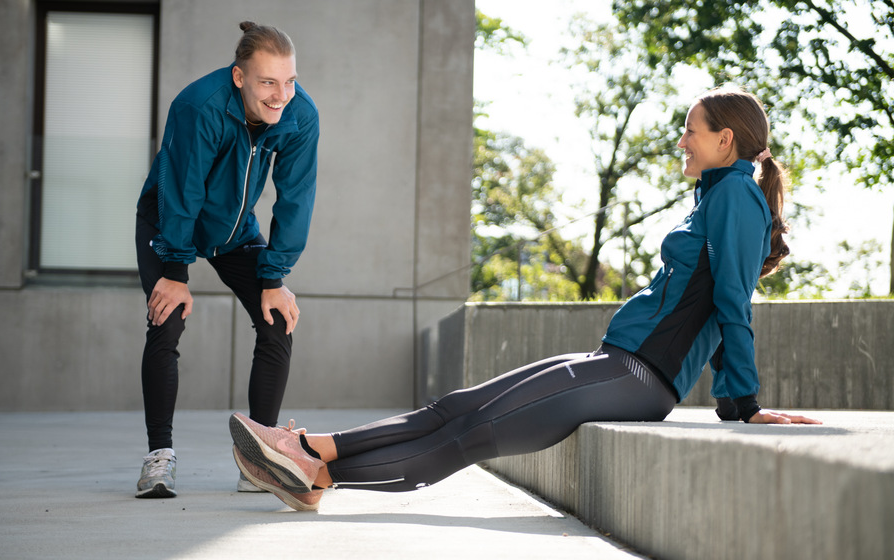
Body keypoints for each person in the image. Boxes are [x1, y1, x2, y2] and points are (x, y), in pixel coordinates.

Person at [227, 85, 821, 512]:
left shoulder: (737, 198)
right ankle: (308, 449)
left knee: (465, 436)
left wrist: (742, 403)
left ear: (726, 139)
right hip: (617, 361)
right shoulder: (718, 195)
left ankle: (316, 472)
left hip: (639, 376)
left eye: (691, 130)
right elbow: (715, 298)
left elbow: (732, 305)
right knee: (454, 408)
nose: (682, 140)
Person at [134, 21, 319, 499]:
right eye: (267, 82)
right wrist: (175, 271)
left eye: (290, 80)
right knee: (166, 319)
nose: (282, 95)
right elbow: (182, 189)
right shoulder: (199, 106)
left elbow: (295, 197)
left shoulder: (300, 114)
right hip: (168, 220)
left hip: (234, 232)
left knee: (277, 319)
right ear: (239, 77)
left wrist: (275, 276)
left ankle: (260, 458)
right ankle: (160, 457)